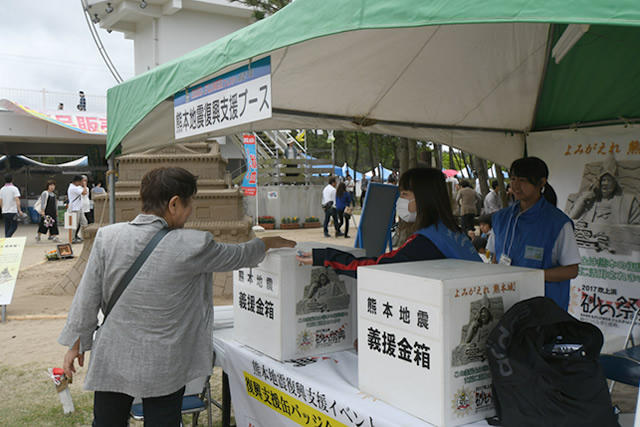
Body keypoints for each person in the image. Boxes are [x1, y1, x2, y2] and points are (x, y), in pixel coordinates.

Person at [58, 167, 295, 427]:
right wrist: (268, 242)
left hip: (112, 356)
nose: (190, 210)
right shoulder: (193, 244)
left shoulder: (108, 237)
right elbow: (238, 256)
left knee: (107, 422)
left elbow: (87, 295)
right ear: (173, 204)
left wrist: (76, 344)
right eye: (189, 203)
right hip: (164, 364)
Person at [297, 168, 481, 276]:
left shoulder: (426, 242)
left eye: (404, 195)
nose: (400, 201)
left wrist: (326, 257)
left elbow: (375, 267)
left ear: (424, 199)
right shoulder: (452, 231)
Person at [488, 157, 580, 311]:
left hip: (543, 309)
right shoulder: (501, 218)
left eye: (523, 180)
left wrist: (533, 276)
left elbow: (571, 270)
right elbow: (494, 257)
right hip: (506, 303)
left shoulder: (557, 223)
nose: (516, 185)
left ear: (541, 182)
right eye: (513, 179)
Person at [568, 155, 640, 224]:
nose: (605, 183)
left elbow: (634, 231)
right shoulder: (590, 201)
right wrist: (583, 199)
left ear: (615, 183)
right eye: (603, 180)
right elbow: (570, 220)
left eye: (609, 180)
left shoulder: (628, 202)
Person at [67, 175, 88, 243]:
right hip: (74, 208)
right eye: (81, 181)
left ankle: (84, 237)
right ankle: (72, 239)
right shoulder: (73, 188)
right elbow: (84, 193)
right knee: (74, 225)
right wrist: (84, 185)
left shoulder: (76, 187)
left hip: (79, 208)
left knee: (84, 222)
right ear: (77, 181)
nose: (81, 183)